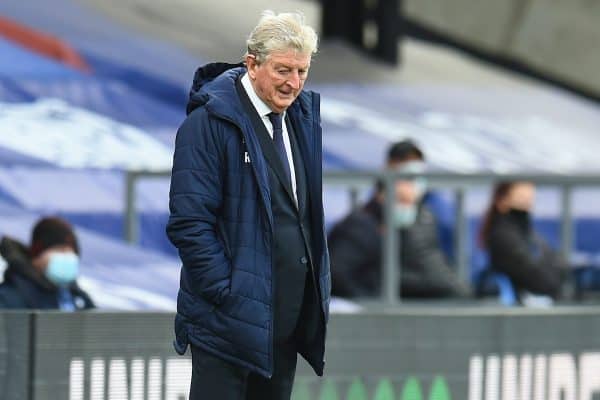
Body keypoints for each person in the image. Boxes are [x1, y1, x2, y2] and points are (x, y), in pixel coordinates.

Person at [166, 11, 330, 400]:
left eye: (302, 71)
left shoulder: (300, 120)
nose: (293, 83)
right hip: (227, 325)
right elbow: (190, 222)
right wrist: (228, 292)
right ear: (252, 64)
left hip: (284, 324)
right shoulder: (207, 124)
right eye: (283, 70)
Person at [328, 139, 470, 299]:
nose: (414, 188)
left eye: (418, 178)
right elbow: (337, 273)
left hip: (440, 302)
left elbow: (433, 269)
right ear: (388, 171)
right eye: (408, 177)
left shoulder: (425, 217)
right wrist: (373, 306)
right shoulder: (362, 223)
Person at [479, 181, 568, 300]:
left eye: (530, 199)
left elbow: (558, 265)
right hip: (519, 307)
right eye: (522, 199)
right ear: (503, 201)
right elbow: (537, 279)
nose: (528, 204)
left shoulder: (528, 234)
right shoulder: (502, 236)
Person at [0, 216, 94, 310]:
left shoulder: (77, 297)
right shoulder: (8, 298)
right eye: (60, 250)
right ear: (37, 255)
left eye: (71, 252)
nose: (67, 257)